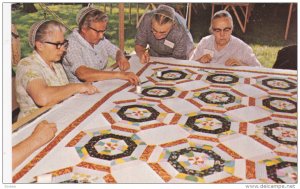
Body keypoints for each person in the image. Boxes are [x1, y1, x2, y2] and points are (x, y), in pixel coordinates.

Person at [16, 20, 98, 119]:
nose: (63, 49)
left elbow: (62, 94)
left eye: (64, 43)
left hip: (58, 116)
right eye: (58, 44)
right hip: (33, 126)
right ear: (40, 45)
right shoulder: (27, 65)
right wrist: (76, 87)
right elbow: (43, 97)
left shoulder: (56, 64)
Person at [63, 7, 139, 85]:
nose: (101, 36)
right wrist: (119, 74)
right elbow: (82, 73)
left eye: (103, 31)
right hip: (81, 93)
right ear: (84, 29)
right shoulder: (71, 44)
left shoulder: (99, 39)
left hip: (101, 84)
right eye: (98, 32)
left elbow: (115, 50)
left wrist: (120, 57)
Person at [190, 10, 261, 67]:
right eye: (217, 30)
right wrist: (199, 61)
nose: (222, 34)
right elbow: (189, 64)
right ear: (212, 30)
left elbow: (259, 69)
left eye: (226, 30)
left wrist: (241, 65)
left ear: (232, 29)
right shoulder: (205, 42)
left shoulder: (241, 47)